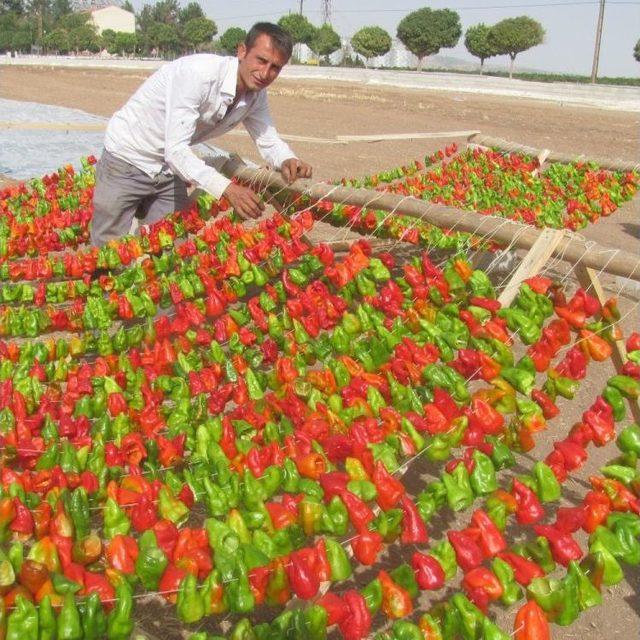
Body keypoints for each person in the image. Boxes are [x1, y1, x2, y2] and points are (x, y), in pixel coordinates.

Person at [90, 22, 312, 247]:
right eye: (261, 60)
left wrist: (286, 158)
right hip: (128, 157)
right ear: (242, 51)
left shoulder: (256, 95)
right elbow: (175, 150)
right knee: (108, 249)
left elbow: (268, 138)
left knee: (170, 245)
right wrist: (227, 189)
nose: (265, 73)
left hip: (168, 169)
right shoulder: (199, 75)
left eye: (275, 67)